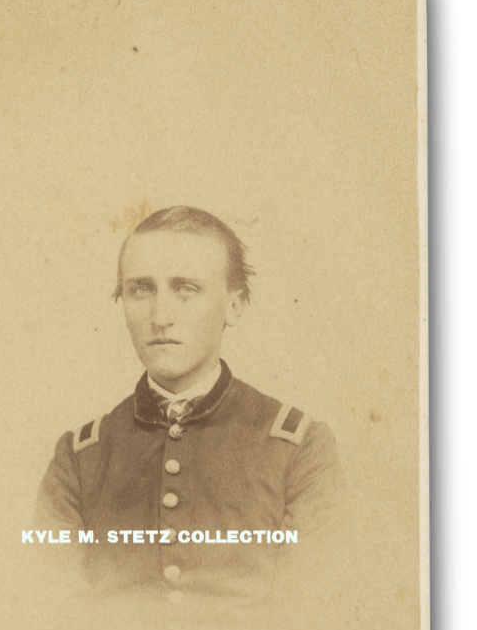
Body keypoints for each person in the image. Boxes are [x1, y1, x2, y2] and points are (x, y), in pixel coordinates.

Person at [34, 206, 344, 594]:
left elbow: (315, 614)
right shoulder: (79, 459)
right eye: (141, 289)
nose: (160, 316)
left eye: (186, 289)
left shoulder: (298, 449)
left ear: (234, 306)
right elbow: (49, 613)